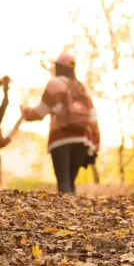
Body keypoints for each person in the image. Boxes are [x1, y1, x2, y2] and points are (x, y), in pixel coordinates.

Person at [21, 52, 100, 193]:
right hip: (82, 139)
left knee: (63, 181)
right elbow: (93, 118)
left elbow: (40, 112)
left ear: (58, 67)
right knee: (71, 181)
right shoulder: (82, 88)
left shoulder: (55, 84)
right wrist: (95, 143)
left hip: (60, 138)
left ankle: (67, 214)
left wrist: (27, 112)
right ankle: (74, 213)